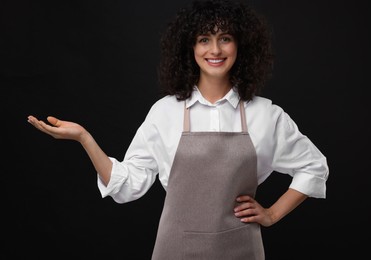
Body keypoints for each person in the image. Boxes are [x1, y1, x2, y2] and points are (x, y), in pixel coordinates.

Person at [27, 0, 329, 259]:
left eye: (225, 38)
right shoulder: (165, 112)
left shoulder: (265, 114)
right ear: (190, 47)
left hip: (242, 250)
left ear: (241, 45)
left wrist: (272, 214)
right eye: (204, 39)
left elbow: (314, 167)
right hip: (175, 249)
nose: (215, 49)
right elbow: (127, 184)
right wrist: (84, 137)